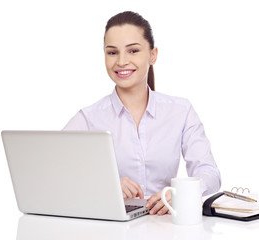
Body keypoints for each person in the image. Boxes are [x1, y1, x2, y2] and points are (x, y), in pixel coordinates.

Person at [64, 11, 221, 215]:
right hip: (109, 228)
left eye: (133, 51)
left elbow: (210, 173)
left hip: (166, 227)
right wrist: (105, 184)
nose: (121, 61)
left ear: (152, 55)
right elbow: (56, 173)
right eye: (112, 52)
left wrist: (181, 192)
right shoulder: (88, 118)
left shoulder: (180, 111)